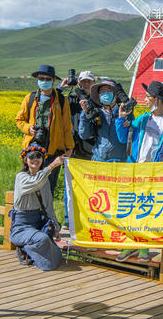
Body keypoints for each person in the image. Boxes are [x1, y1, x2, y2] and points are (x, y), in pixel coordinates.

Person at [114, 81, 163, 263]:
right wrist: (121, 119)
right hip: (135, 169)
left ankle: (144, 247)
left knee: (147, 209)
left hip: (155, 173)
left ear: (157, 100)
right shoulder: (142, 119)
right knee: (131, 208)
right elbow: (122, 136)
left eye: (148, 97)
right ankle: (130, 245)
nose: (145, 99)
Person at [15, 64, 74, 196]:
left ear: (53, 81)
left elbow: (66, 127)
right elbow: (19, 120)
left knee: (48, 189)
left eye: (48, 79)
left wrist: (69, 148)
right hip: (32, 152)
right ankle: (30, 215)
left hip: (53, 151)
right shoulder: (29, 98)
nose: (45, 81)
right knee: (30, 187)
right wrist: (28, 129)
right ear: (37, 79)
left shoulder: (63, 101)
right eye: (42, 78)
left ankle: (45, 215)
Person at [9, 146, 64, 271]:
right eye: (31, 157)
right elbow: (35, 183)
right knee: (43, 239)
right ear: (25, 160)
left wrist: (55, 227)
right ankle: (24, 248)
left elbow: (48, 207)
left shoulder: (45, 181)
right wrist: (52, 166)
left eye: (38, 156)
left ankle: (29, 250)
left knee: (55, 250)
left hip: (36, 224)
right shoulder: (21, 177)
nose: (35, 159)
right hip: (20, 228)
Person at [58, 70, 95, 230]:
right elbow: (56, 104)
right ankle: (69, 219)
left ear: (93, 83)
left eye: (89, 81)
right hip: (72, 149)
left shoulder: (96, 101)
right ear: (78, 82)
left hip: (90, 150)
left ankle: (86, 219)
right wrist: (61, 88)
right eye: (83, 81)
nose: (85, 84)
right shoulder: (71, 100)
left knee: (88, 187)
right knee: (69, 186)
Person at [78, 78, 126, 162]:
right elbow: (84, 135)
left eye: (108, 91)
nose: (105, 94)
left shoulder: (125, 113)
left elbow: (130, 137)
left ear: (116, 95)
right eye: (102, 92)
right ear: (99, 96)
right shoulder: (96, 113)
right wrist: (85, 113)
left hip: (119, 162)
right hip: (99, 160)